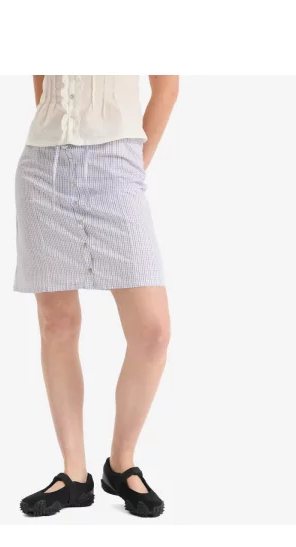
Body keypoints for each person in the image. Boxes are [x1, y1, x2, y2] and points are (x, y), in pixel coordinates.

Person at [15, 75, 179, 517]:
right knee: (57, 323)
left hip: (118, 165)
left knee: (153, 332)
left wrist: (133, 166)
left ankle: (121, 463)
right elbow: (42, 78)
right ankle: (74, 474)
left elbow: (167, 88)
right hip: (43, 166)